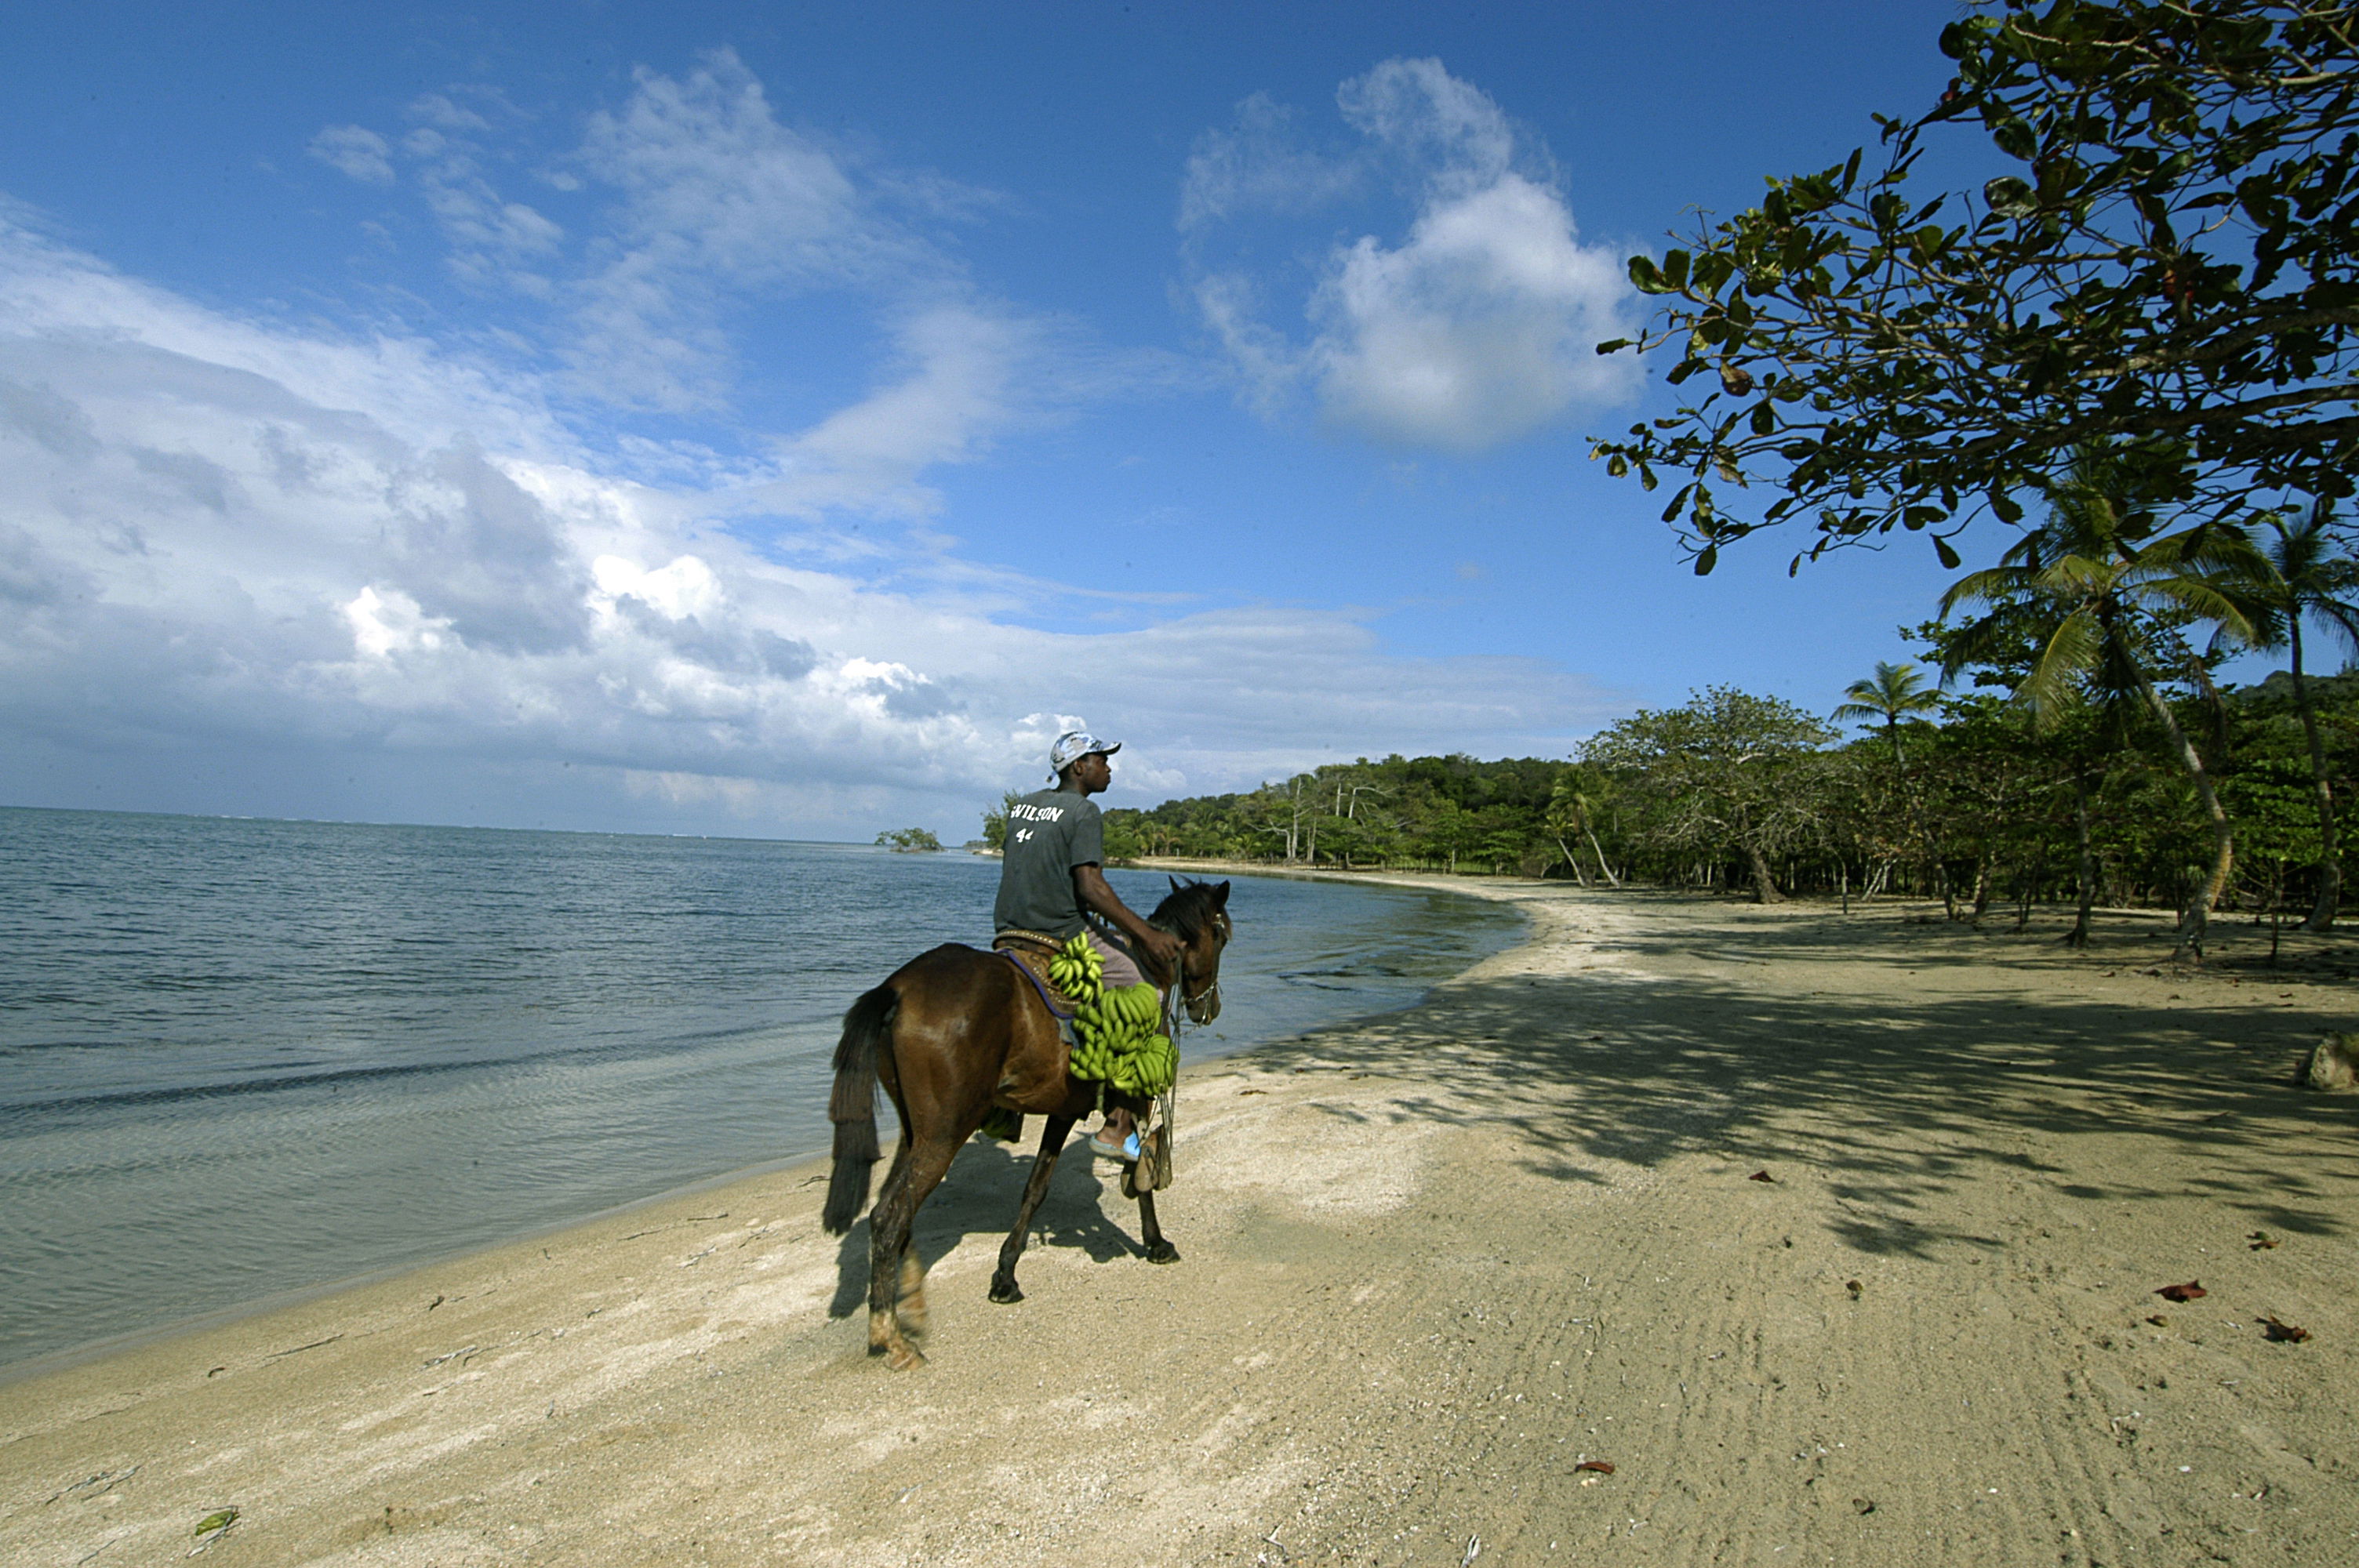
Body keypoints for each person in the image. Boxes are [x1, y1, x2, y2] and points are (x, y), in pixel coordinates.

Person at [994, 729, 1183, 1161]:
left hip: (1009, 929)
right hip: (1061, 931)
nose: (1109, 768)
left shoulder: (1023, 806)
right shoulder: (1083, 811)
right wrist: (1146, 934)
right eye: (1102, 760)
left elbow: (1036, 867)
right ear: (1079, 768)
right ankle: (1118, 1126)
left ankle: (1001, 1111)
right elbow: (1091, 887)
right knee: (1147, 995)